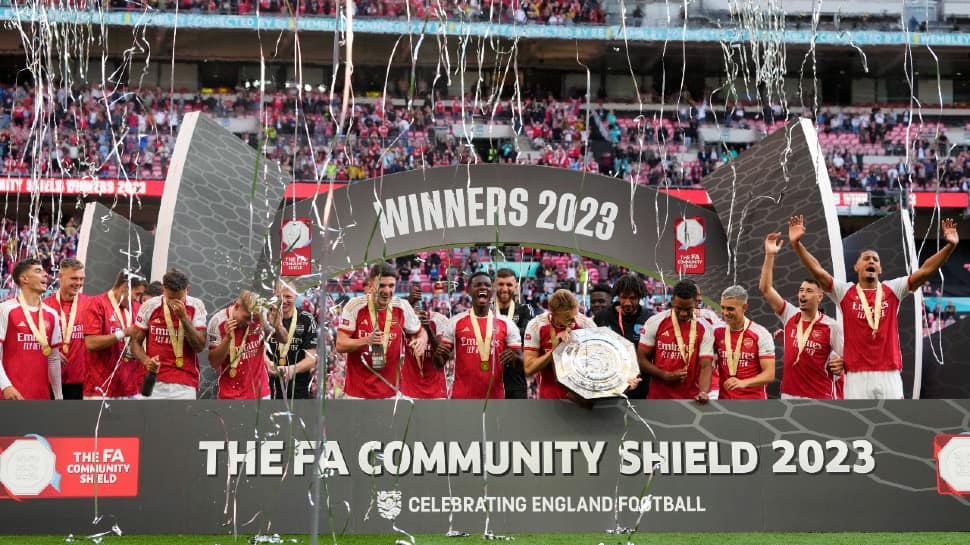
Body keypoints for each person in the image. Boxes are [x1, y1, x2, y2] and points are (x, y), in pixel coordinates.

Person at [789, 215, 960, 399]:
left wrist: (950, 246)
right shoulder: (844, 292)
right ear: (856, 266)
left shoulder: (893, 289)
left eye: (875, 260)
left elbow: (925, 270)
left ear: (880, 269)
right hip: (856, 376)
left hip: (889, 374)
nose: (871, 261)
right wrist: (797, 245)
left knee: (893, 424)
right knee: (860, 426)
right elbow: (818, 271)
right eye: (866, 258)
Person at [759, 232, 844, 399]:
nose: (802, 294)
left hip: (819, 395)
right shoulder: (790, 314)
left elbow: (847, 359)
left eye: (809, 291)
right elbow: (766, 289)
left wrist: (842, 363)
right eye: (801, 290)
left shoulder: (831, 326)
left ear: (820, 297)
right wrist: (769, 255)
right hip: (789, 395)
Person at [335, 263, 428, 399]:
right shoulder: (354, 306)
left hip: (390, 394)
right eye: (382, 285)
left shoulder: (402, 306)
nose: (387, 291)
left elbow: (421, 331)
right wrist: (366, 340)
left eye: (391, 286)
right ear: (371, 286)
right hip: (357, 395)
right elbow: (340, 344)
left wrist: (422, 340)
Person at [439, 272, 522, 399]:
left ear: (493, 290)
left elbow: (521, 363)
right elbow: (438, 363)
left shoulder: (507, 324)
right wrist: (440, 353)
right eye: (477, 285)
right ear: (469, 290)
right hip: (462, 399)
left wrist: (515, 358)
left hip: (495, 400)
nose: (483, 288)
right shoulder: (455, 322)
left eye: (487, 285)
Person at [130, 269, 208, 399]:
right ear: (163, 289)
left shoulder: (196, 305)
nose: (174, 303)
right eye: (171, 298)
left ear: (187, 289)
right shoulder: (150, 306)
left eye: (179, 298)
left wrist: (183, 318)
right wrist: (146, 361)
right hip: (154, 382)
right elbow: (134, 343)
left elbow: (199, 347)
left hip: (185, 383)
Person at [638, 280, 714, 401]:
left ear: (695, 302)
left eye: (688, 309)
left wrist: (703, 392)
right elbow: (641, 359)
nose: (683, 313)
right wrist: (664, 375)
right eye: (678, 308)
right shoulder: (655, 322)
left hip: (690, 401)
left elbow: (706, 366)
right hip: (658, 399)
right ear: (672, 300)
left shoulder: (705, 328)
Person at [0, 258, 63, 400]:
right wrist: (5, 386)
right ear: (24, 279)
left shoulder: (52, 314)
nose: (46, 274)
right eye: (38, 271)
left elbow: (53, 358)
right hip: (11, 396)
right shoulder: (5, 310)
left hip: (41, 397)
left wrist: (59, 396)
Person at [208, 290, 286, 400]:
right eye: (247, 317)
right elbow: (214, 363)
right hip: (230, 396)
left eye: (253, 319)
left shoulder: (261, 315)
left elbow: (284, 339)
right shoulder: (218, 321)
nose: (250, 322)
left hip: (261, 394)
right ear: (237, 306)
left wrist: (278, 327)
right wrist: (227, 339)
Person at [523, 289, 597, 400]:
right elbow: (529, 368)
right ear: (553, 314)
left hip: (580, 397)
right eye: (568, 318)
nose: (574, 320)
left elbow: (598, 362)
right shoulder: (536, 325)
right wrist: (555, 349)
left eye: (575, 314)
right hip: (549, 397)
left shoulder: (586, 324)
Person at [82, 270, 141, 399]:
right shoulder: (97, 303)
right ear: (125, 287)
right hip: (100, 388)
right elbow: (90, 343)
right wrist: (123, 333)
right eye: (136, 294)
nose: (137, 299)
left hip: (129, 388)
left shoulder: (136, 308)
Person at [594, 274, 653, 397]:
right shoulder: (602, 317)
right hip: (609, 386)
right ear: (618, 296)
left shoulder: (649, 319)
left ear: (640, 297)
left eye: (633, 298)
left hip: (640, 387)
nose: (627, 303)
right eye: (623, 297)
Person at [713, 285, 775, 400]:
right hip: (725, 402)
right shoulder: (717, 332)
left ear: (744, 307)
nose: (725, 313)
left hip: (753, 402)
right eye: (723, 307)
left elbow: (769, 374)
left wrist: (744, 383)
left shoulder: (760, 333)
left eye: (730, 309)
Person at [44, 258, 87, 399]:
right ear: (60, 277)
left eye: (81, 279)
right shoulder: (44, 306)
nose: (79, 283)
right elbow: (32, 341)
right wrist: (49, 351)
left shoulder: (91, 305)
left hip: (81, 382)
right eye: (74, 278)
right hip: (49, 381)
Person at [267, 283, 319, 399]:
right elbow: (258, 349)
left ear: (296, 296)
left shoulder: (306, 319)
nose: (284, 301)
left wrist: (291, 369)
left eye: (288, 297)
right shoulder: (265, 316)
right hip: (268, 389)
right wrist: (267, 363)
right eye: (280, 297)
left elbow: (311, 359)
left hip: (298, 390)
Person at [399, 284, 447, 399]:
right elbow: (394, 317)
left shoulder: (439, 320)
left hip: (436, 392)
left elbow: (441, 359)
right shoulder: (405, 322)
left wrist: (429, 330)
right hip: (409, 391)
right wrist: (408, 303)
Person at [493, 268, 533, 399]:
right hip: (489, 382)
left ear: (516, 287)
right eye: (501, 284)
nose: (505, 289)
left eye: (509, 285)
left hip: (515, 383)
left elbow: (527, 335)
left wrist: (497, 333)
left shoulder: (524, 310)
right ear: (494, 286)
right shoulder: (486, 311)